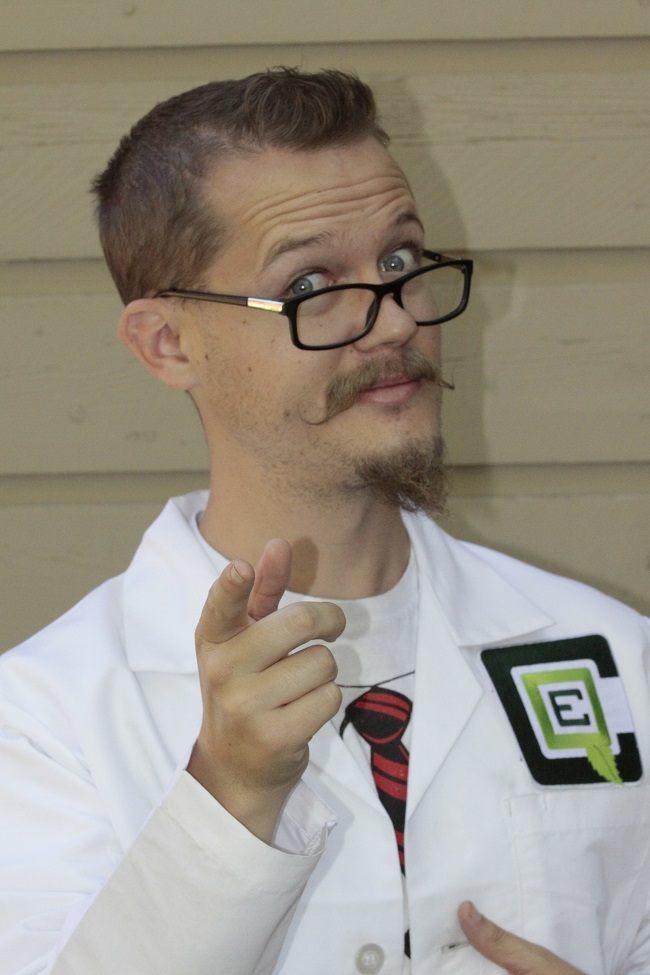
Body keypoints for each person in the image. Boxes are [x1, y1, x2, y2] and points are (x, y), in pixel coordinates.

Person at [0, 67, 648, 975]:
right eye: (310, 282)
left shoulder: (617, 657)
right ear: (169, 343)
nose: (393, 323)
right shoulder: (42, 722)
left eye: (400, 261)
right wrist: (226, 797)